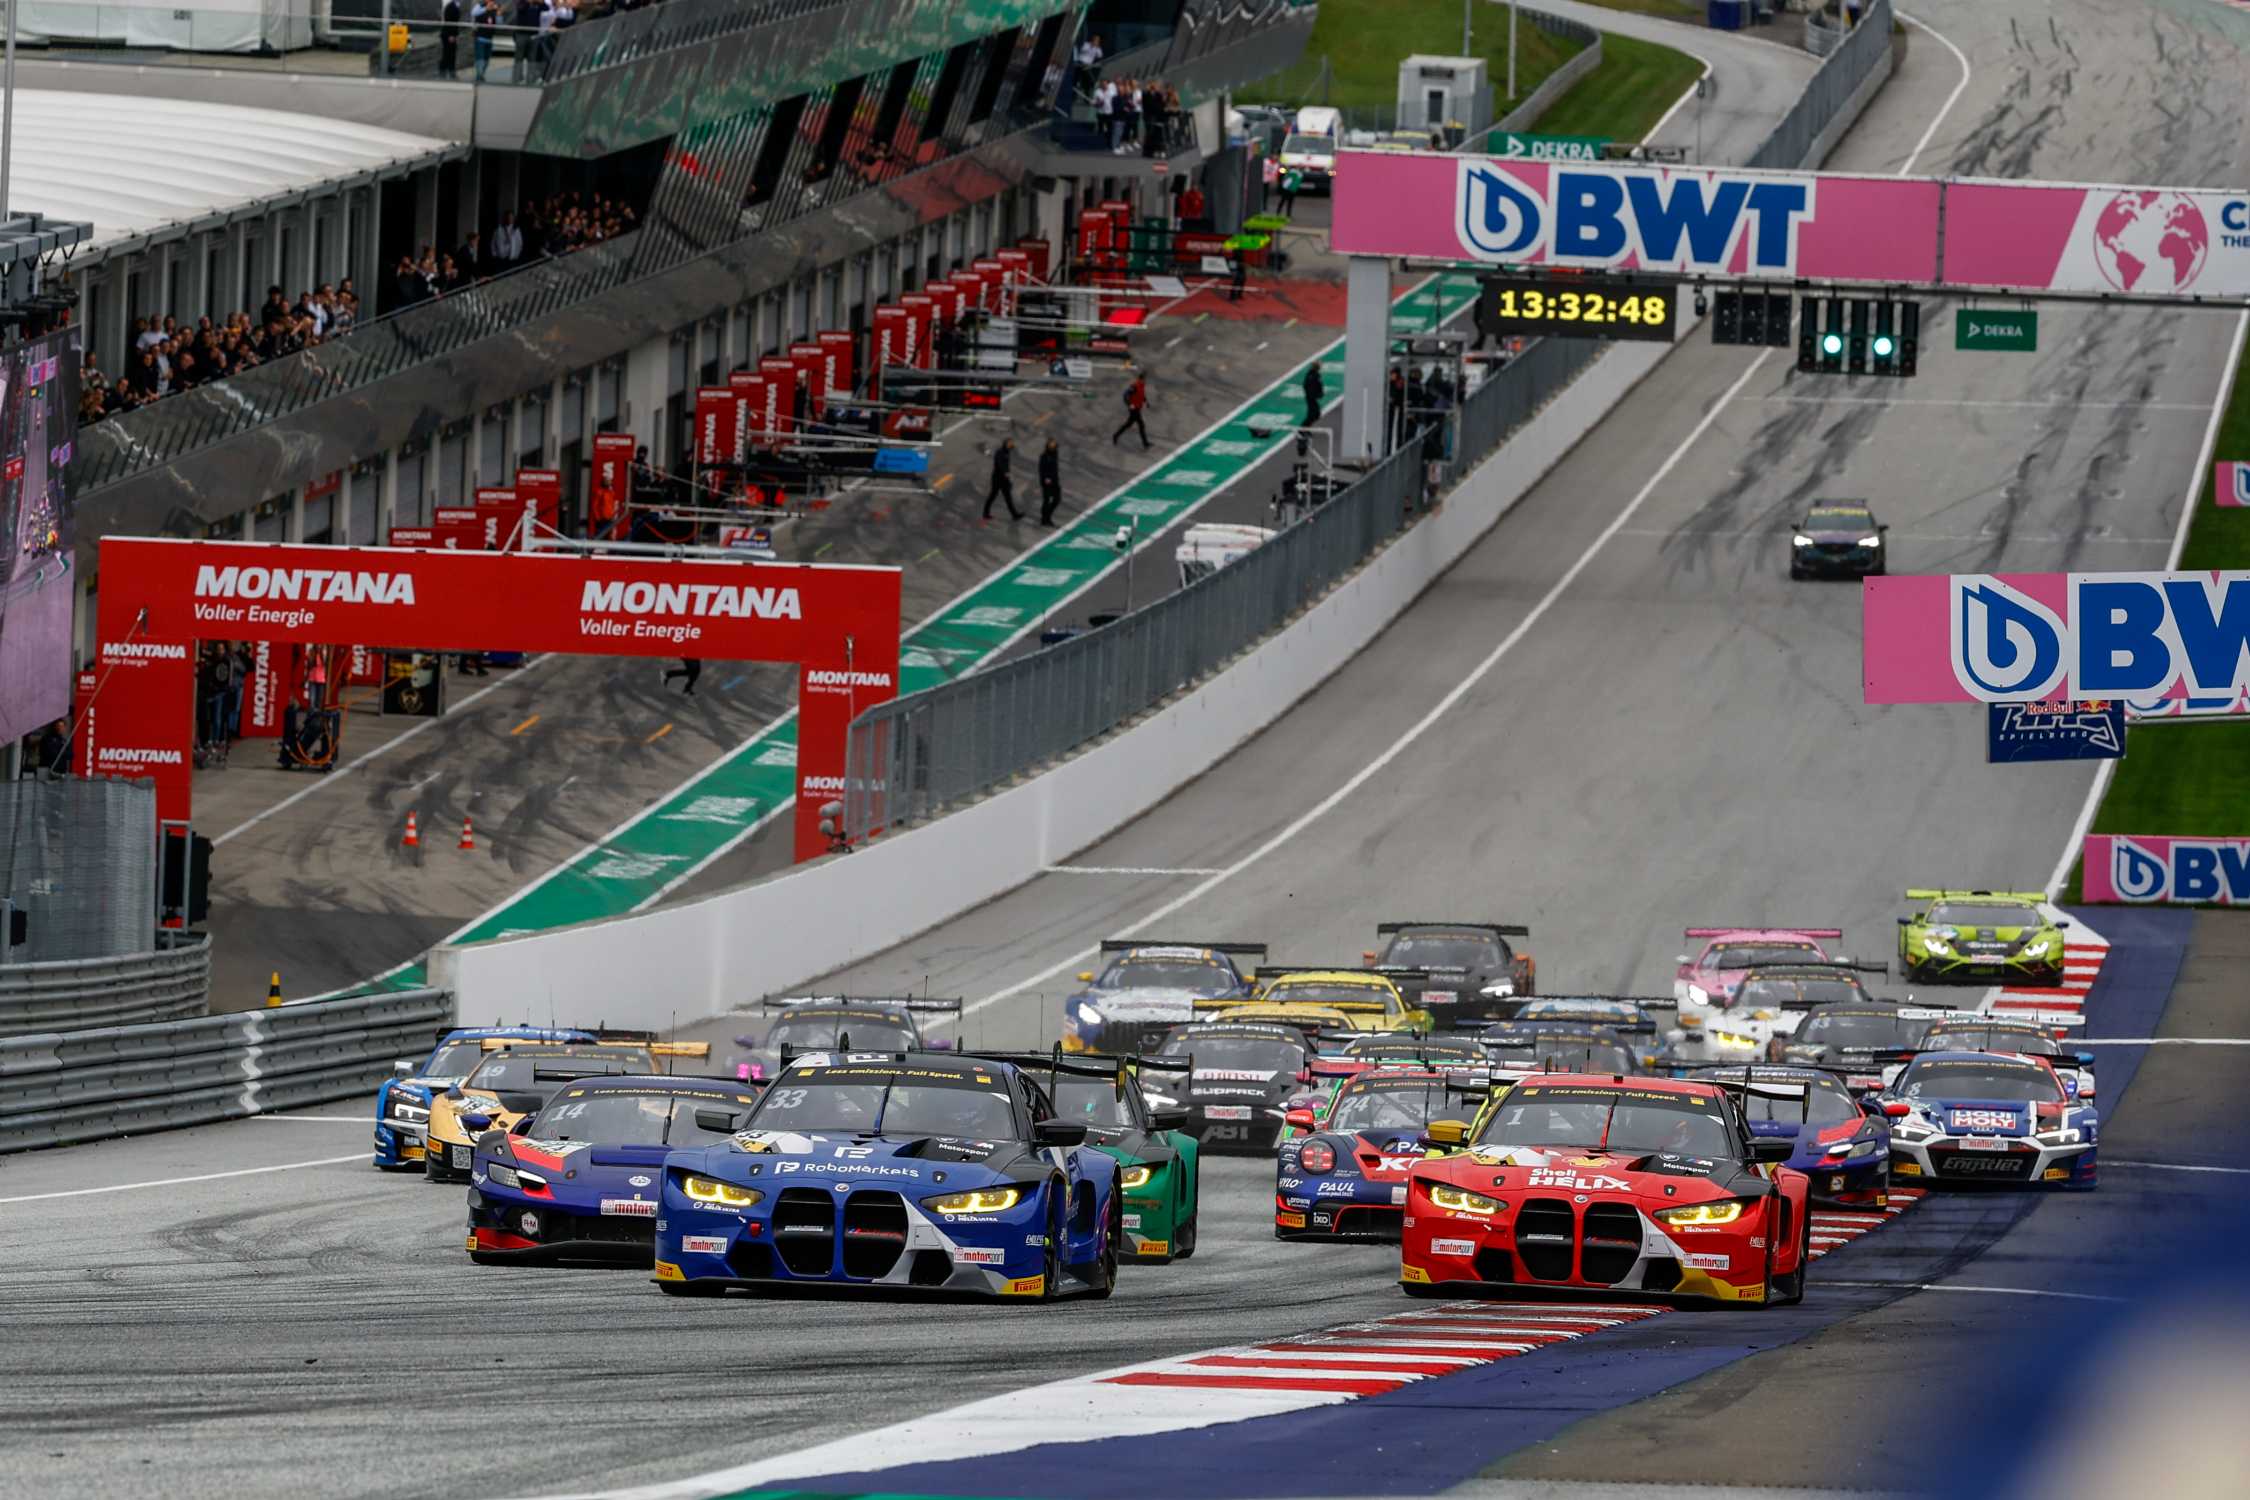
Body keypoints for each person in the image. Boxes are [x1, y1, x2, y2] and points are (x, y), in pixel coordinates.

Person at [983, 438, 1021, 521]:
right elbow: (1000, 464)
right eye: (1010, 443)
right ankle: (986, 513)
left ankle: (1015, 515)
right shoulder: (1000, 452)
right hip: (998, 478)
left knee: (1007, 497)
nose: (1011, 445)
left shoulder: (1007, 452)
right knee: (993, 496)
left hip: (1003, 478)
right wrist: (1006, 473)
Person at [1112, 374, 1150, 448]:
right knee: (1141, 425)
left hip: (1137, 408)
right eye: (1144, 379)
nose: (1145, 381)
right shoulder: (1135, 386)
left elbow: (1142, 395)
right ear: (1141, 379)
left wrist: (1146, 402)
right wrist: (1129, 404)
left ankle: (1115, 435)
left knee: (1129, 424)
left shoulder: (1141, 386)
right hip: (1134, 409)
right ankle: (1145, 444)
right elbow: (1125, 395)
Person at [1037, 437, 1062, 526]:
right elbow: (1041, 469)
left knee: (1057, 500)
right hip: (1046, 482)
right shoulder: (1044, 456)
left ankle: (1047, 515)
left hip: (1055, 481)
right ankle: (1044, 519)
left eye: (1054, 444)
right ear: (1048, 446)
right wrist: (1046, 478)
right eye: (1051, 444)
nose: (1053, 446)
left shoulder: (1055, 454)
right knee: (1046, 500)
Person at [471, 0, 497, 82]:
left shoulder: (493, 10)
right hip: (480, 38)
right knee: (480, 59)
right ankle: (479, 75)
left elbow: (495, 23)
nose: (492, 2)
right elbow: (474, 13)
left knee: (486, 60)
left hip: (489, 38)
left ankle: (482, 74)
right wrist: (486, 8)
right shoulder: (480, 7)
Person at [439, 0, 462, 78]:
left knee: (452, 53)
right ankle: (444, 70)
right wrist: (451, 35)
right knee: (447, 53)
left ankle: (450, 70)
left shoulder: (455, 6)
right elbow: (449, 21)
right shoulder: (451, 7)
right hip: (448, 34)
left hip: (452, 34)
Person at [1302, 360, 1324, 429]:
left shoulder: (1313, 374)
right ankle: (1303, 429)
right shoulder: (1314, 376)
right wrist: (1317, 394)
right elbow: (1316, 385)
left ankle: (1305, 429)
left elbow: (1305, 385)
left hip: (1311, 396)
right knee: (1314, 414)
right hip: (1311, 397)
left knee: (1314, 414)